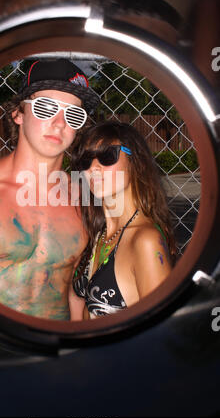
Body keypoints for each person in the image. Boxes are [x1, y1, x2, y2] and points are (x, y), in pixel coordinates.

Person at [0, 58, 99, 320]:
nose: (60, 122)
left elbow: (74, 291)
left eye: (73, 114)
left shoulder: (83, 199)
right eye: (46, 107)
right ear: (18, 114)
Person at [69, 120, 176, 320]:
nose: (93, 167)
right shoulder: (97, 234)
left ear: (136, 162)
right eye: (85, 160)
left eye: (108, 155)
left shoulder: (145, 241)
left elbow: (162, 335)